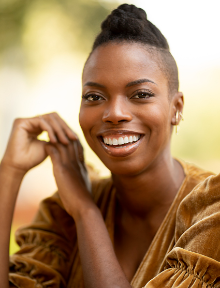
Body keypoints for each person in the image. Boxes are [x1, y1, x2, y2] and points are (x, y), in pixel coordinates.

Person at [0, 3, 220, 288]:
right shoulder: (61, 213)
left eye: (140, 94)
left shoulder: (211, 213)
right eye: (94, 97)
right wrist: (10, 171)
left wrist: (85, 211)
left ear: (176, 108)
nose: (115, 113)